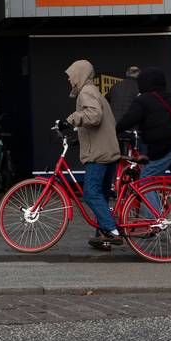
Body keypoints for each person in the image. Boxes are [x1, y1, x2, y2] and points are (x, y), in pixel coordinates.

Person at [64, 59, 122, 250]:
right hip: (107, 151)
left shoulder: (86, 92)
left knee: (90, 194)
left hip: (99, 155)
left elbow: (94, 116)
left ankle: (112, 231)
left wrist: (72, 119)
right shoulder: (94, 91)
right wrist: (79, 139)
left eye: (71, 77)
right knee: (102, 196)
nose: (70, 81)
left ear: (79, 75)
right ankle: (102, 237)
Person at [117, 66, 171, 179]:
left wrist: (115, 130)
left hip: (164, 145)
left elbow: (128, 120)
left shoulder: (143, 100)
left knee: (146, 180)